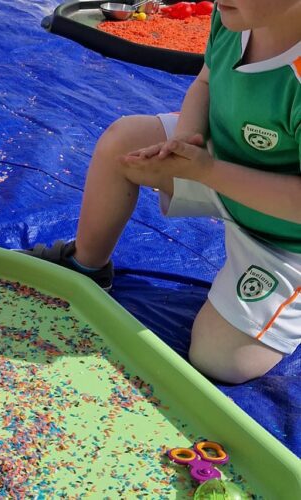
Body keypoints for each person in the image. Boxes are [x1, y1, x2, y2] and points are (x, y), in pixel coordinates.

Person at [24, 1, 301, 384]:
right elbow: (205, 82)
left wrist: (206, 171)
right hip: (219, 159)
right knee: (122, 143)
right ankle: (87, 264)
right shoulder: (234, 15)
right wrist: (186, 143)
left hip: (283, 238)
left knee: (220, 361)